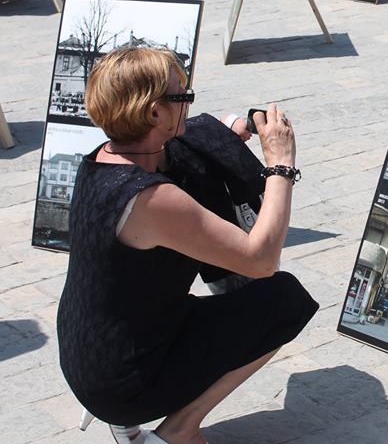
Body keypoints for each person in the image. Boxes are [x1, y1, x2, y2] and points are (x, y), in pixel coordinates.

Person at [56, 46, 318, 444]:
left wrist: (236, 124)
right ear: (154, 113)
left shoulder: (102, 159)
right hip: (123, 382)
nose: (188, 102)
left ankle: (126, 421)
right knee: (285, 301)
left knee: (189, 159)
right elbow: (261, 260)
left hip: (89, 353)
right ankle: (179, 429)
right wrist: (280, 165)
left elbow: (196, 135)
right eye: (183, 96)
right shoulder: (149, 200)